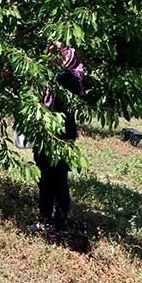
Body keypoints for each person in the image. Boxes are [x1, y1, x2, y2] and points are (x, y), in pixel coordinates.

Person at [31, 42, 85, 231]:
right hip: (45, 132)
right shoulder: (49, 74)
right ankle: (45, 217)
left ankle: (59, 220)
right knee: (44, 176)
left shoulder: (68, 77)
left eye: (59, 53)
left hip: (61, 133)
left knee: (58, 178)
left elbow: (65, 90)